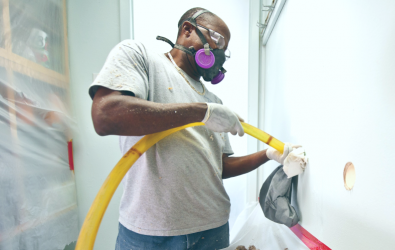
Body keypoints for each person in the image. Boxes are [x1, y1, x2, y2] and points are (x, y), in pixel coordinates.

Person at [89, 7, 298, 250]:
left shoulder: (214, 102)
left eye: (225, 50)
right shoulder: (141, 57)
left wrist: (269, 155)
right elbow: (105, 115)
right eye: (217, 40)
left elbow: (219, 167)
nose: (219, 53)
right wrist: (202, 113)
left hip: (213, 228)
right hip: (150, 233)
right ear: (187, 30)